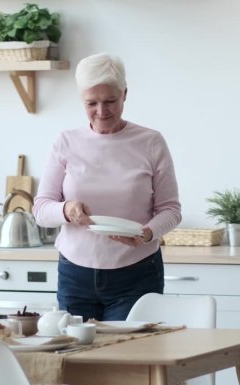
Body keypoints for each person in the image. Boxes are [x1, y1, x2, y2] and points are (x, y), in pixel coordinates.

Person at [32, 52, 182, 321]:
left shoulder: (150, 142)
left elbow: (170, 210)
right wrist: (67, 210)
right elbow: (41, 209)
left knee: (132, 358)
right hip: (75, 274)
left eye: (110, 101)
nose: (102, 112)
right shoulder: (65, 142)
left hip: (136, 273)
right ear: (81, 99)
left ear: (125, 94)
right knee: (76, 359)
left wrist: (146, 233)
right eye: (92, 103)